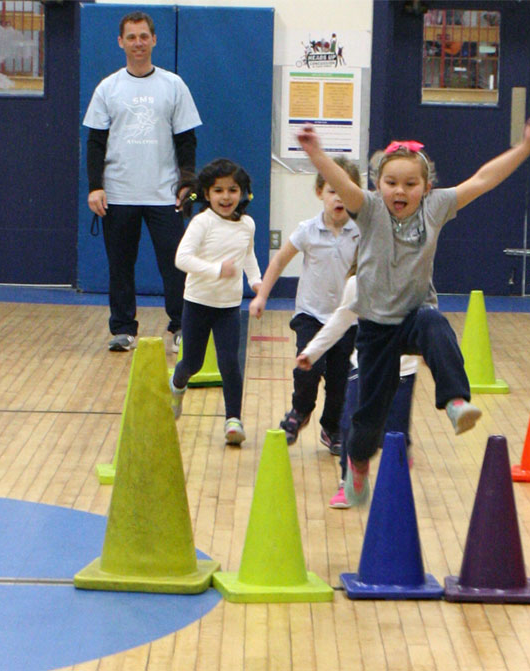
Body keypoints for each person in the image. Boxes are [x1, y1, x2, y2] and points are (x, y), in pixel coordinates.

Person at [296, 116, 530, 506]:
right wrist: (315, 152)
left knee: (435, 322)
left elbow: (483, 180)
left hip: (415, 315)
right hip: (376, 328)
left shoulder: (436, 207)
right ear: (378, 185)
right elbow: (344, 184)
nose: (401, 190)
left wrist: (526, 146)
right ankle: (359, 464)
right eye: (391, 182)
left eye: (411, 184)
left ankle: (455, 402)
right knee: (370, 414)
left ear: (426, 187)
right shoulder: (370, 210)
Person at [83, 10, 201, 353]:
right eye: (131, 37)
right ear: (121, 42)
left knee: (176, 264)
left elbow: (186, 140)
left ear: (154, 40)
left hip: (164, 194)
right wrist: (95, 185)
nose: (138, 42)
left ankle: (181, 326)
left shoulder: (173, 85)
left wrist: (187, 183)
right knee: (120, 266)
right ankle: (123, 329)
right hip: (118, 193)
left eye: (143, 36)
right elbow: (95, 142)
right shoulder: (108, 87)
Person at [249, 157, 362, 451]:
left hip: (347, 320)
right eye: (331, 190)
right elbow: (279, 261)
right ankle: (299, 410)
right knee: (307, 368)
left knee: (340, 379)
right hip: (310, 314)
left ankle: (332, 427)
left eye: (345, 191)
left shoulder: (362, 231)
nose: (338, 197)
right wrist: (262, 296)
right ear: (319, 193)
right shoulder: (307, 230)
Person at [295, 272, 420, 508]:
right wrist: (313, 352)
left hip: (403, 370)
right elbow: (340, 320)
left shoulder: (413, 278)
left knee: (395, 435)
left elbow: (425, 319)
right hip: (364, 366)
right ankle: (347, 482)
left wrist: (431, 352)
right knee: (350, 425)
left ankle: (398, 477)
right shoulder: (358, 283)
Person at [169, 159, 261, 446]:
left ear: (243, 193)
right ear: (207, 194)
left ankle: (233, 420)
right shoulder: (201, 222)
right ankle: (176, 385)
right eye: (218, 190)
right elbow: (182, 259)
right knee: (192, 363)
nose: (226, 196)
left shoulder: (247, 224)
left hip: (229, 307)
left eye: (233, 190)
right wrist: (216, 270)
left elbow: (248, 256)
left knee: (230, 363)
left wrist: (257, 283)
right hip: (197, 304)